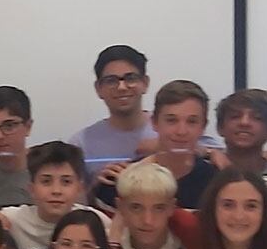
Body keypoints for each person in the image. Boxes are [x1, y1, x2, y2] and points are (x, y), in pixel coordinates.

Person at [92, 79, 218, 211]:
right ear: (154, 123)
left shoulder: (218, 184)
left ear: (203, 127)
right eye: (171, 120)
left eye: (192, 121)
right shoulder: (117, 182)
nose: (181, 131)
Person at [0, 141, 94, 249]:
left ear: (80, 188)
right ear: (31, 188)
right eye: (46, 181)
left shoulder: (93, 221)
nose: (56, 191)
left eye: (66, 182)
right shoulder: (12, 218)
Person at [69, 45, 153, 185]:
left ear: (145, 83)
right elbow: (74, 199)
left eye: (130, 78)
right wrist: (96, 185)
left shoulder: (172, 127)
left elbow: (201, 154)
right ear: (98, 89)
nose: (121, 87)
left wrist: (165, 148)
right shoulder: (81, 144)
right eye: (111, 80)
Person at [215, 89, 267, 175]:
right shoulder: (202, 174)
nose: (244, 122)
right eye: (235, 116)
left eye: (257, 117)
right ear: (220, 127)